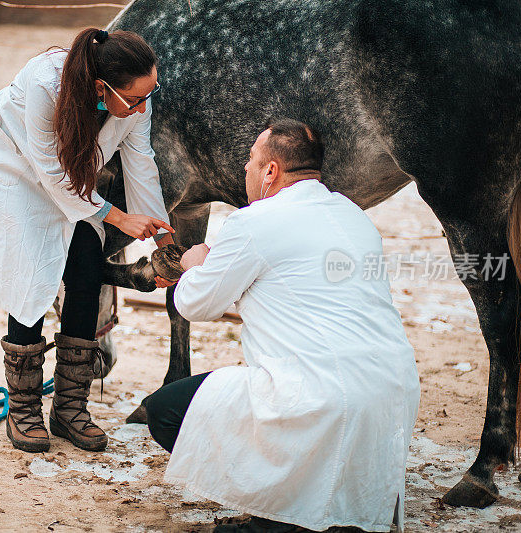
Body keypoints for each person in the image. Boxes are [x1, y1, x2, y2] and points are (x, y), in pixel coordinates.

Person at [144, 119, 420, 532]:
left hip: (319, 394)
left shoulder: (253, 222)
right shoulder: (352, 215)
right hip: (393, 394)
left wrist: (194, 262)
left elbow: (194, 303)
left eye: (252, 161)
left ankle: (277, 519)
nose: (245, 170)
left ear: (271, 171)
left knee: (164, 412)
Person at [0, 28, 175, 454]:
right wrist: (118, 217)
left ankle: (69, 408)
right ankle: (23, 409)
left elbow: (140, 161)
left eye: (150, 93)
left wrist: (164, 240)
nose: (143, 106)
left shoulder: (133, 103)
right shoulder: (46, 84)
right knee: (32, 276)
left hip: (69, 182)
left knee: (85, 266)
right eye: (135, 98)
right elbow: (51, 171)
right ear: (103, 87)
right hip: (15, 171)